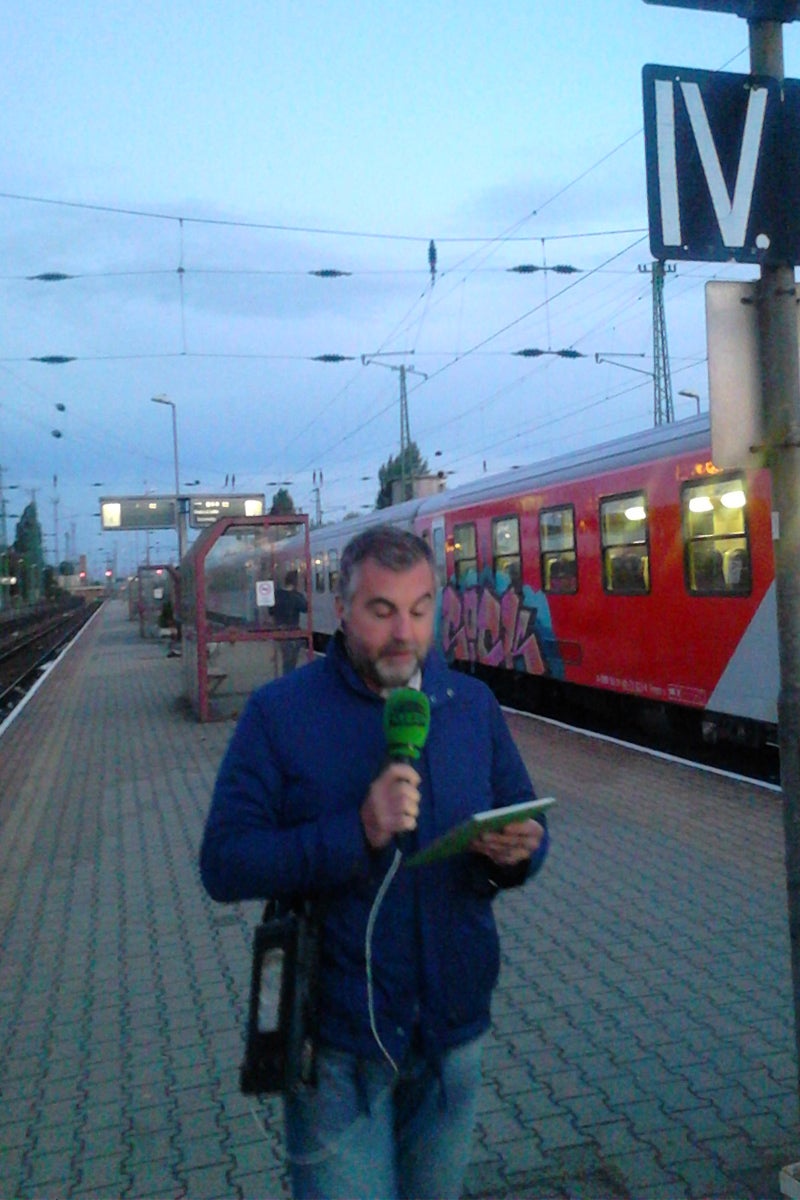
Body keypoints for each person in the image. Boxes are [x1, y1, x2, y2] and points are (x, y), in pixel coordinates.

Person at [200, 525, 550, 1200]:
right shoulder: (281, 713)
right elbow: (225, 862)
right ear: (341, 609)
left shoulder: (469, 706)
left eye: (420, 610)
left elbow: (521, 817)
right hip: (339, 1052)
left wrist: (517, 853)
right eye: (381, 610)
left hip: (452, 1040)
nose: (404, 633)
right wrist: (356, 831)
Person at [272, 568, 308, 671]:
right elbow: (305, 608)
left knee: (286, 660)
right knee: (290, 662)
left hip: (279, 631)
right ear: (295, 582)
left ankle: (286, 679)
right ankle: (287, 682)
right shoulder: (296, 596)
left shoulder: (277, 594)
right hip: (292, 632)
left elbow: (271, 610)